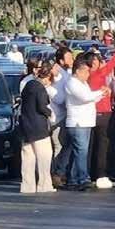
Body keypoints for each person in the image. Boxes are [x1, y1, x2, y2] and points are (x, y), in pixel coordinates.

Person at [85, 34, 115, 189]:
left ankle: (89, 173)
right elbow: (114, 62)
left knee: (91, 145)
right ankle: (101, 174)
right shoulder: (99, 74)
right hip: (103, 113)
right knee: (103, 145)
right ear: (94, 63)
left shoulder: (84, 77)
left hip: (90, 113)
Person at [64, 56, 110, 190]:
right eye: (85, 71)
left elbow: (91, 99)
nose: (88, 74)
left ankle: (73, 178)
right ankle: (82, 178)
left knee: (79, 151)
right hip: (78, 122)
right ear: (78, 71)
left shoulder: (82, 83)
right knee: (81, 151)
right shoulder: (72, 83)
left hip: (86, 122)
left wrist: (102, 94)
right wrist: (100, 91)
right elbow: (85, 97)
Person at [19, 61, 56, 194]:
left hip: (26, 126)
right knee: (44, 157)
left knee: (28, 158)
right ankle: (44, 185)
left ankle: (27, 186)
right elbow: (42, 107)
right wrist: (50, 113)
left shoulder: (28, 85)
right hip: (39, 128)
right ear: (47, 77)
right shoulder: (40, 88)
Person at [49, 46, 73, 187]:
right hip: (56, 117)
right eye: (69, 57)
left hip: (63, 115)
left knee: (63, 146)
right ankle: (55, 174)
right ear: (61, 60)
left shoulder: (66, 73)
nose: (72, 60)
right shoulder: (58, 74)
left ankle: (58, 173)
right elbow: (58, 97)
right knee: (59, 146)